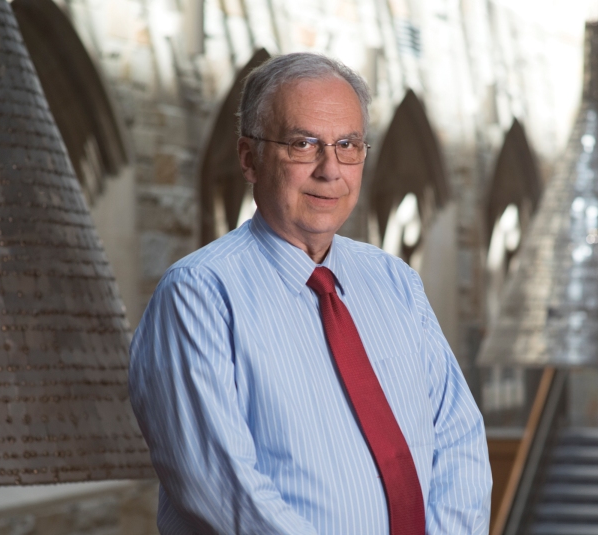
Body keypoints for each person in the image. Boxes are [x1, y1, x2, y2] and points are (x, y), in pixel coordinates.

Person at [128, 52, 491, 535]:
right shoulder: (199, 295)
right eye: (303, 144)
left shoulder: (395, 283)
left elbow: (459, 438)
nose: (330, 169)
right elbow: (224, 493)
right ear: (248, 158)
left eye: (348, 145)